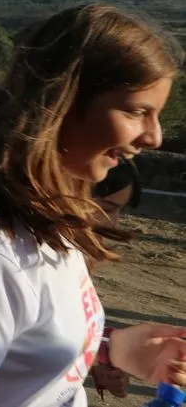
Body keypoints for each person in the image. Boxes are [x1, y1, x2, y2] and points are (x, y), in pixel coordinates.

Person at [0, 4, 186, 407]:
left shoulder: (36, 200)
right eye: (137, 111)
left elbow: (23, 338)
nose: (154, 137)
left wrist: (115, 348)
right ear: (64, 100)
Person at [89, 156, 142, 400]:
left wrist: (96, 362)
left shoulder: (73, 260)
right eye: (105, 209)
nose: (114, 223)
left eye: (119, 210)